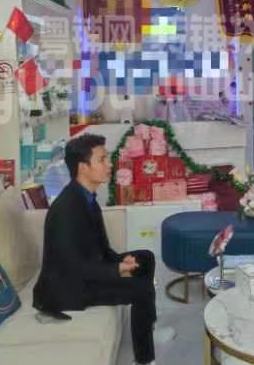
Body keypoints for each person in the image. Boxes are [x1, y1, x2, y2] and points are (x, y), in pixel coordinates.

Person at [33, 134, 164, 365]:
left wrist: (120, 262)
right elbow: (73, 268)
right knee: (141, 289)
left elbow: (102, 248)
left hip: (87, 270)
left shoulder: (86, 198)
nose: (109, 165)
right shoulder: (65, 209)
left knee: (145, 258)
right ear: (83, 167)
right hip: (68, 287)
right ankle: (144, 361)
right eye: (102, 160)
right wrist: (116, 270)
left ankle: (148, 326)